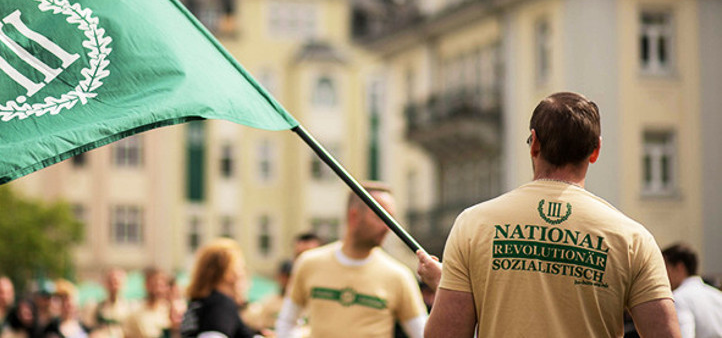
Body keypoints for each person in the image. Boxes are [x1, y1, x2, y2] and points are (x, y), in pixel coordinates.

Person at [419, 91, 680, 337]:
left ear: (534, 144)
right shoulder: (633, 239)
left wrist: (454, 288)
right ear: (596, 150)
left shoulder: (472, 225)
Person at [276, 182, 429, 338]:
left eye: (391, 219)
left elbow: (422, 333)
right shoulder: (309, 263)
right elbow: (286, 322)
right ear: (354, 216)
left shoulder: (399, 275)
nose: (388, 227)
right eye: (381, 217)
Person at [179, 238, 260, 338]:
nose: (244, 273)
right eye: (241, 267)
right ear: (228, 273)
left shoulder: (197, 303)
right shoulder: (221, 304)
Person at [662, 242, 722, 337]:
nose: (661, 275)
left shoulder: (678, 298)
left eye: (664, 267)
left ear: (679, 267)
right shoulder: (718, 295)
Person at [123, 267, 173, 338]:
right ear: (146, 285)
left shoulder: (171, 311)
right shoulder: (135, 313)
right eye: (154, 284)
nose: (158, 289)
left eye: (161, 285)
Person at [86, 268, 133, 338]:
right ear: (105, 284)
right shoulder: (96, 307)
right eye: (111, 282)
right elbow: (89, 329)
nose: (114, 286)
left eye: (117, 282)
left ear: (123, 284)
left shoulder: (130, 308)